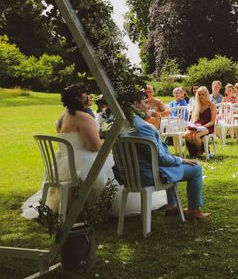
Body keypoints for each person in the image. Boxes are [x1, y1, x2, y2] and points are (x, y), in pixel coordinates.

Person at [21, 84, 167, 220]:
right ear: (78, 98)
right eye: (87, 94)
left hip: (62, 165)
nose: (90, 96)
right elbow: (95, 147)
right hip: (80, 163)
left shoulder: (62, 116)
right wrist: (112, 138)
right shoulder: (83, 117)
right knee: (111, 169)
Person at [128, 95, 210, 220]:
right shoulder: (142, 128)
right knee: (196, 169)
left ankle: (172, 206)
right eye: (145, 102)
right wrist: (181, 159)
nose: (148, 105)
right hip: (147, 175)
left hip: (130, 175)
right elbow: (161, 159)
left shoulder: (123, 124)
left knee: (172, 164)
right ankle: (193, 210)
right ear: (136, 104)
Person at [184, 86, 216, 158]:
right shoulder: (197, 105)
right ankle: (201, 149)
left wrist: (203, 127)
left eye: (202, 94)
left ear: (206, 94)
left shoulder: (211, 105)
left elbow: (212, 122)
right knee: (186, 135)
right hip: (197, 126)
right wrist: (191, 126)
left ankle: (199, 150)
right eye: (199, 95)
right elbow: (193, 120)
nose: (201, 96)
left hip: (208, 126)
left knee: (196, 136)